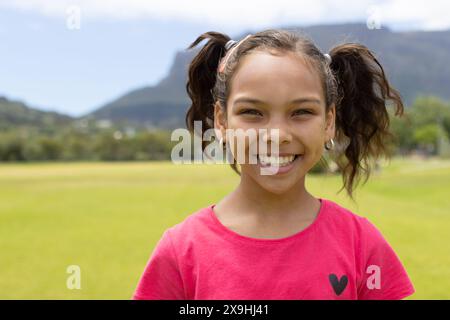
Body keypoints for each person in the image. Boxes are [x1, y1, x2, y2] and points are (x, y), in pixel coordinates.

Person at [132, 29, 415, 300]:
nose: (277, 136)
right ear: (221, 120)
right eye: (252, 112)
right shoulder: (181, 251)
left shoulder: (360, 244)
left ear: (329, 122)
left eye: (302, 112)